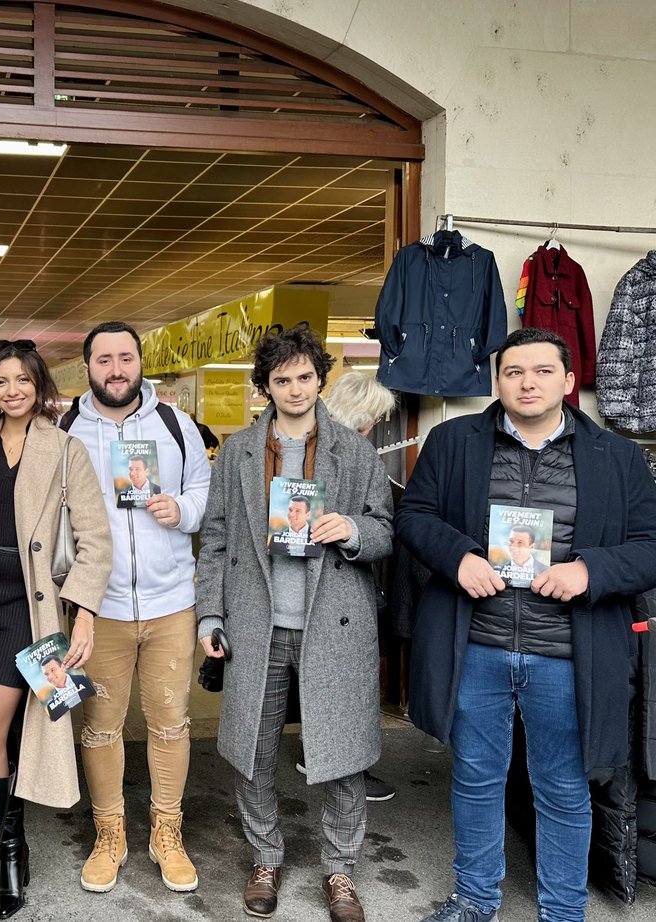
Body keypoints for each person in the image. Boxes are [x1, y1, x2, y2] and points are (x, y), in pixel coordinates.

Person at [396, 328, 656, 922]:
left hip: (568, 652)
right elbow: (414, 515)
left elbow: (650, 545)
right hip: (477, 643)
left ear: (569, 382)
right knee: (476, 778)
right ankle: (474, 899)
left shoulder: (616, 456)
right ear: (498, 381)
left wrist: (589, 570)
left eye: (542, 371)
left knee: (563, 787)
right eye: (513, 372)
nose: (527, 383)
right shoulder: (453, 441)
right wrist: (458, 556)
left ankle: (563, 912)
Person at [197, 323, 393, 922]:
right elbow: (215, 539)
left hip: (333, 624)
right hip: (257, 625)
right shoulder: (238, 452)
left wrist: (352, 530)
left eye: (305, 376)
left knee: (342, 754)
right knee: (253, 751)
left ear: (320, 379)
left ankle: (341, 868)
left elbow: (385, 530)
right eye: (282, 379)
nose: (296, 389)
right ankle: (265, 857)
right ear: (266, 386)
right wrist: (210, 613)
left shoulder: (354, 451)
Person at [0, 338, 111, 922]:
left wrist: (84, 613)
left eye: (23, 381)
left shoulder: (65, 449)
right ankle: (11, 846)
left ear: (40, 386)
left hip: (28, 613)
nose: (12, 391)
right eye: (1, 381)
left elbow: (94, 539)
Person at [61, 321, 212, 895]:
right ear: (87, 367)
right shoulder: (67, 429)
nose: (116, 369)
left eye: (126, 357)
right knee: (101, 726)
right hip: (98, 610)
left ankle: (167, 833)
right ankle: (110, 834)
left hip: (171, 602)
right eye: (104, 359)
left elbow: (205, 491)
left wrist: (183, 509)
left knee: (171, 723)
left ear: (140, 362)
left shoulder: (174, 424)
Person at [293, 372, 400, 803]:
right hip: (330, 586)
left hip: (314, 583)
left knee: (328, 679)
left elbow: (380, 528)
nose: (375, 427)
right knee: (341, 686)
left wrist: (353, 529)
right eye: (374, 418)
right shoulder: (349, 452)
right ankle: (343, 770)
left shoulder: (313, 445)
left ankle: (323, 757)